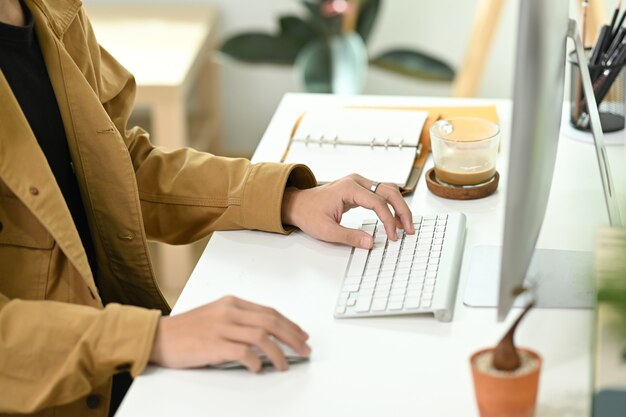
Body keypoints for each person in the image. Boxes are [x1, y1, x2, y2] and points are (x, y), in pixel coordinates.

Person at [0, 0, 414, 416]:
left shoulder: (54, 12)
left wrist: (288, 199)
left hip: (117, 367)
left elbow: (119, 167)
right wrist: (153, 338)